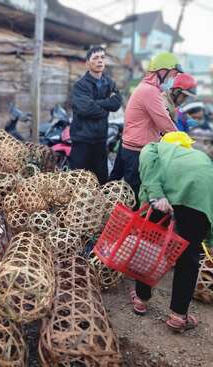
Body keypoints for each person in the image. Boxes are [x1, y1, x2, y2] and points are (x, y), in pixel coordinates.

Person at [130, 131, 213, 332]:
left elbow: (149, 172)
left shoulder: (154, 148)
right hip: (200, 201)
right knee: (189, 257)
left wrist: (156, 196)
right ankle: (178, 315)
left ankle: (141, 299)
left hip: (165, 198)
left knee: (149, 246)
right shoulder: (201, 158)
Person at [113, 52, 181, 198]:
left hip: (130, 148)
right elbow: (165, 123)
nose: (171, 80)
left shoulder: (146, 88)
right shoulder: (150, 91)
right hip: (137, 153)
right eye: (171, 75)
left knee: (128, 195)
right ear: (162, 72)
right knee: (138, 198)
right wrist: (183, 141)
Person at [70, 46, 122, 184]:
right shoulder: (80, 86)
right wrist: (106, 107)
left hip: (100, 139)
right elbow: (86, 108)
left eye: (102, 57)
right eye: (95, 58)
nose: (100, 61)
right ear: (87, 63)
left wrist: (96, 103)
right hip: (82, 140)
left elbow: (116, 103)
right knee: (79, 182)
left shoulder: (110, 83)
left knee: (101, 180)